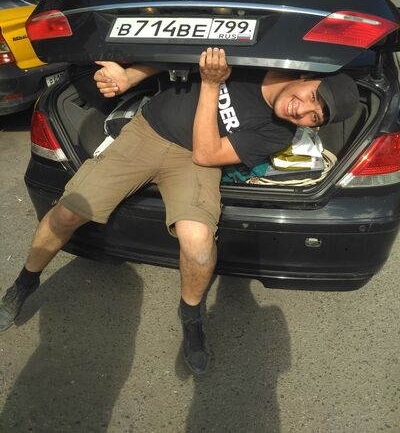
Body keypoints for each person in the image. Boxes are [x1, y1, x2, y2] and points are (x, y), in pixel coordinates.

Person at [0, 47, 359, 374]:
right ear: (306, 75)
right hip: (148, 133)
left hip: (195, 161)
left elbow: (207, 154)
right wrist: (131, 76)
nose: (302, 111)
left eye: (315, 118)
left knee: (198, 242)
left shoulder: (277, 133)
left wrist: (210, 86)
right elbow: (181, 53)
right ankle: (24, 283)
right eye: (313, 97)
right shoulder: (255, 56)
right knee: (68, 212)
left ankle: (191, 316)